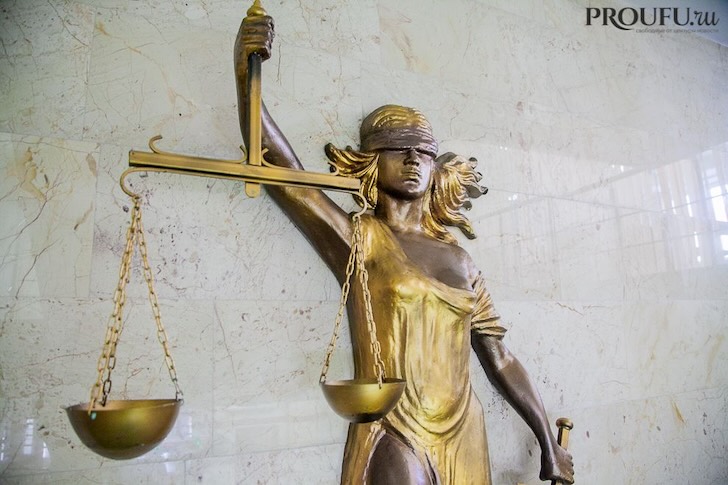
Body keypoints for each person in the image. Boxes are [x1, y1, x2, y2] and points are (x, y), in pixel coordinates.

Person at [235, 13, 574, 485]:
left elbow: (500, 358)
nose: (414, 159)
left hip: (464, 429)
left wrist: (545, 439)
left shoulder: (460, 259)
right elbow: (284, 173)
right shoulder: (360, 238)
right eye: (398, 148)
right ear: (372, 160)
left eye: (425, 152)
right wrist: (245, 76)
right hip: (395, 426)